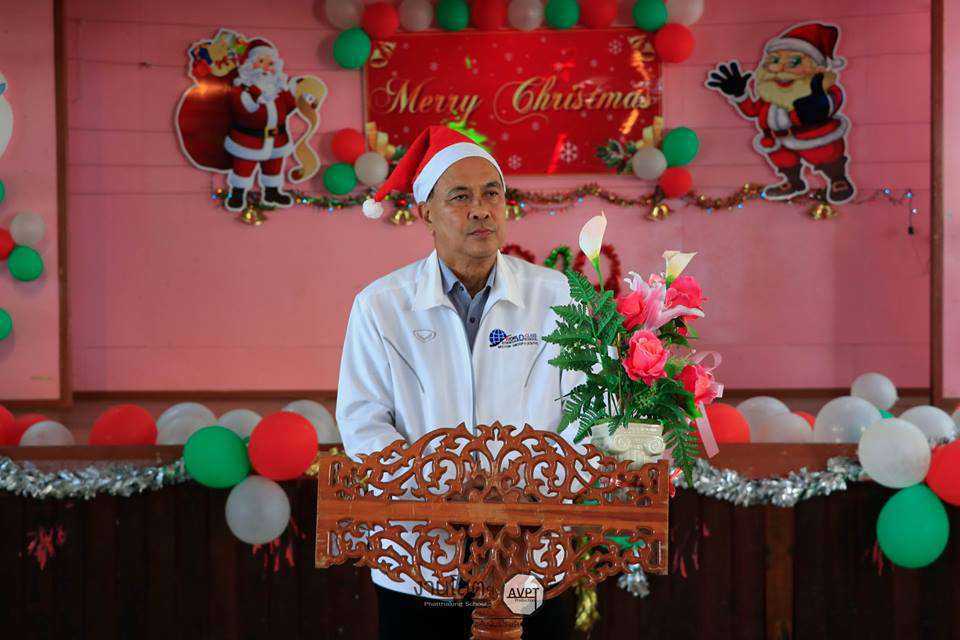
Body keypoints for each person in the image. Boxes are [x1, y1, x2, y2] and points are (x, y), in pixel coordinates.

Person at [336, 126, 580, 639]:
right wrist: (444, 496)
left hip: (532, 549)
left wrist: (535, 495)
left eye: (492, 194)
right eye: (460, 197)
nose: (481, 210)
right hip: (420, 555)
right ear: (426, 212)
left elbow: (590, 409)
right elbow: (362, 422)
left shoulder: (558, 296)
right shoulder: (381, 306)